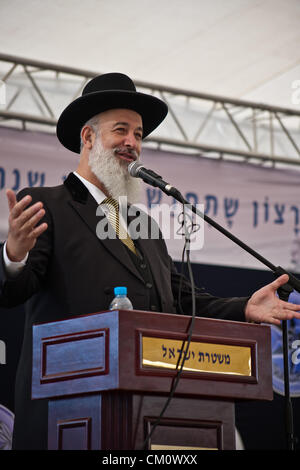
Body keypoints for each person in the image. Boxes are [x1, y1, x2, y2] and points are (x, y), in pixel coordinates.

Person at [1, 73, 300, 450]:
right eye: (121, 130)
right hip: (67, 420)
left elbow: (180, 298)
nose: (132, 143)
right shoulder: (49, 205)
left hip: (149, 416)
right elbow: (12, 291)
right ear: (88, 137)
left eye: (139, 135)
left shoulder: (144, 225)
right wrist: (15, 253)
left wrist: (244, 307)